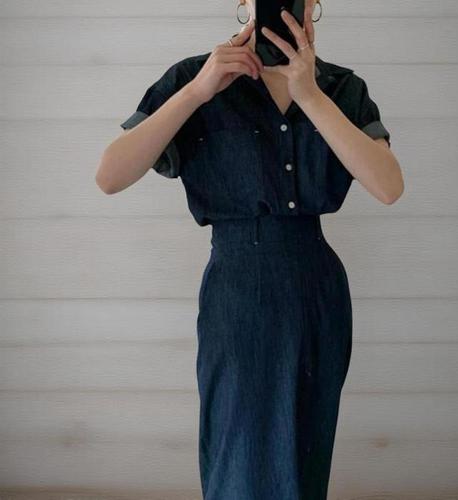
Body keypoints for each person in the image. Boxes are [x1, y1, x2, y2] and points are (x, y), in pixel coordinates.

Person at [96, 1, 404, 498]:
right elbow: (110, 175)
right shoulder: (195, 77)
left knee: (305, 450)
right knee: (235, 449)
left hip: (316, 292)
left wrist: (310, 95)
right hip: (236, 293)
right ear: (244, 3)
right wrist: (198, 92)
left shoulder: (341, 87)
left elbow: (389, 186)